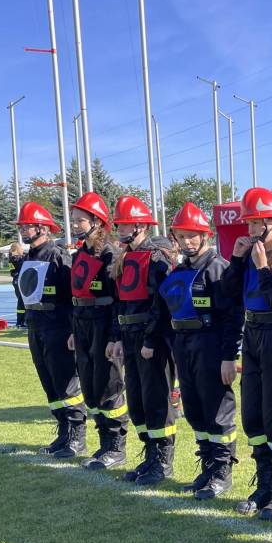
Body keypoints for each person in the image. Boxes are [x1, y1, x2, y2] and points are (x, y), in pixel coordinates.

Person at [223, 187, 272, 518]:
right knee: (252, 416)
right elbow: (228, 295)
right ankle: (265, 485)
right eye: (250, 224)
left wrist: (262, 268)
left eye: (259, 223)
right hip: (252, 335)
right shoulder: (249, 254)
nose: (252, 230)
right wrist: (237, 259)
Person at [158, 203, 243, 499]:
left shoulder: (218, 268)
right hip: (184, 344)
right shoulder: (180, 269)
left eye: (192, 235)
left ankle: (221, 472)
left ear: (205, 235)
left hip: (210, 344)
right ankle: (207, 468)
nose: (187, 241)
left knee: (217, 410)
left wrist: (228, 356)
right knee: (194, 409)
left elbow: (233, 317)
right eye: (182, 236)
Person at [105, 196, 178, 485]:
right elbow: (119, 302)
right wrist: (116, 337)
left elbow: (161, 305)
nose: (120, 229)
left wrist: (151, 340)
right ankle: (150, 456)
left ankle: (163, 462)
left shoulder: (158, 258)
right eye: (119, 225)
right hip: (129, 337)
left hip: (152, 340)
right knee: (137, 401)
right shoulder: (124, 258)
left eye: (125, 224)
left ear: (140, 226)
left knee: (157, 400)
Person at [14, 202, 86, 458]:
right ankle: (64, 431)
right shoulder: (28, 258)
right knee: (50, 383)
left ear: (42, 228)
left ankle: (77, 436)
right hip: (36, 326)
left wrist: (72, 330)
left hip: (58, 327)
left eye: (27, 226)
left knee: (66, 383)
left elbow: (72, 297)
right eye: (21, 227)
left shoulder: (57, 256)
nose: (23, 231)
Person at [68, 192, 128, 470]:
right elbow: (77, 295)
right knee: (91, 387)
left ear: (97, 221)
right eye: (74, 220)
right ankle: (104, 443)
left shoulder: (109, 254)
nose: (75, 225)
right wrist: (74, 330)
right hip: (83, 323)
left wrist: (115, 336)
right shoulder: (80, 253)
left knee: (108, 385)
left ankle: (116, 447)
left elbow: (117, 298)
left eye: (80, 220)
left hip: (103, 324)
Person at [8, 242, 26, 328]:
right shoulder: (18, 259)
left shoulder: (12, 258)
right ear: (18, 249)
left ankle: (22, 320)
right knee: (22, 301)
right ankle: (20, 321)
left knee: (22, 301)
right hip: (20, 281)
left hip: (16, 280)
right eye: (21, 248)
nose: (23, 250)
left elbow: (12, 272)